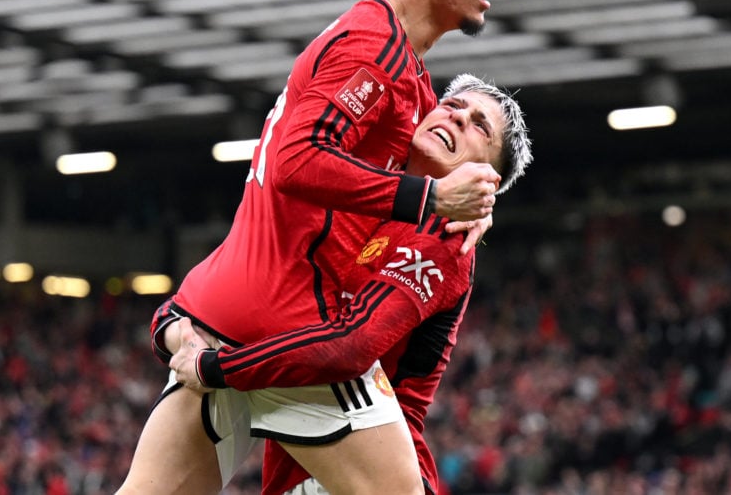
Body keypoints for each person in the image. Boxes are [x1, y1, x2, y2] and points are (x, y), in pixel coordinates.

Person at [118, 0, 508, 495]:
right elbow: (297, 162)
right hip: (293, 328)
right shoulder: (375, 48)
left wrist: (472, 202)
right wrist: (433, 200)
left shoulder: (403, 77)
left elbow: (314, 195)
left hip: (218, 315)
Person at [167, 74, 532, 495]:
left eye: (480, 126)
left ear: (487, 179)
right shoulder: (359, 192)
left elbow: (349, 347)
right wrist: (172, 325)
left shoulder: (448, 237)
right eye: (452, 106)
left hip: (368, 471)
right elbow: (239, 278)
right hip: (301, 464)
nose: (458, 118)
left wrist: (218, 368)